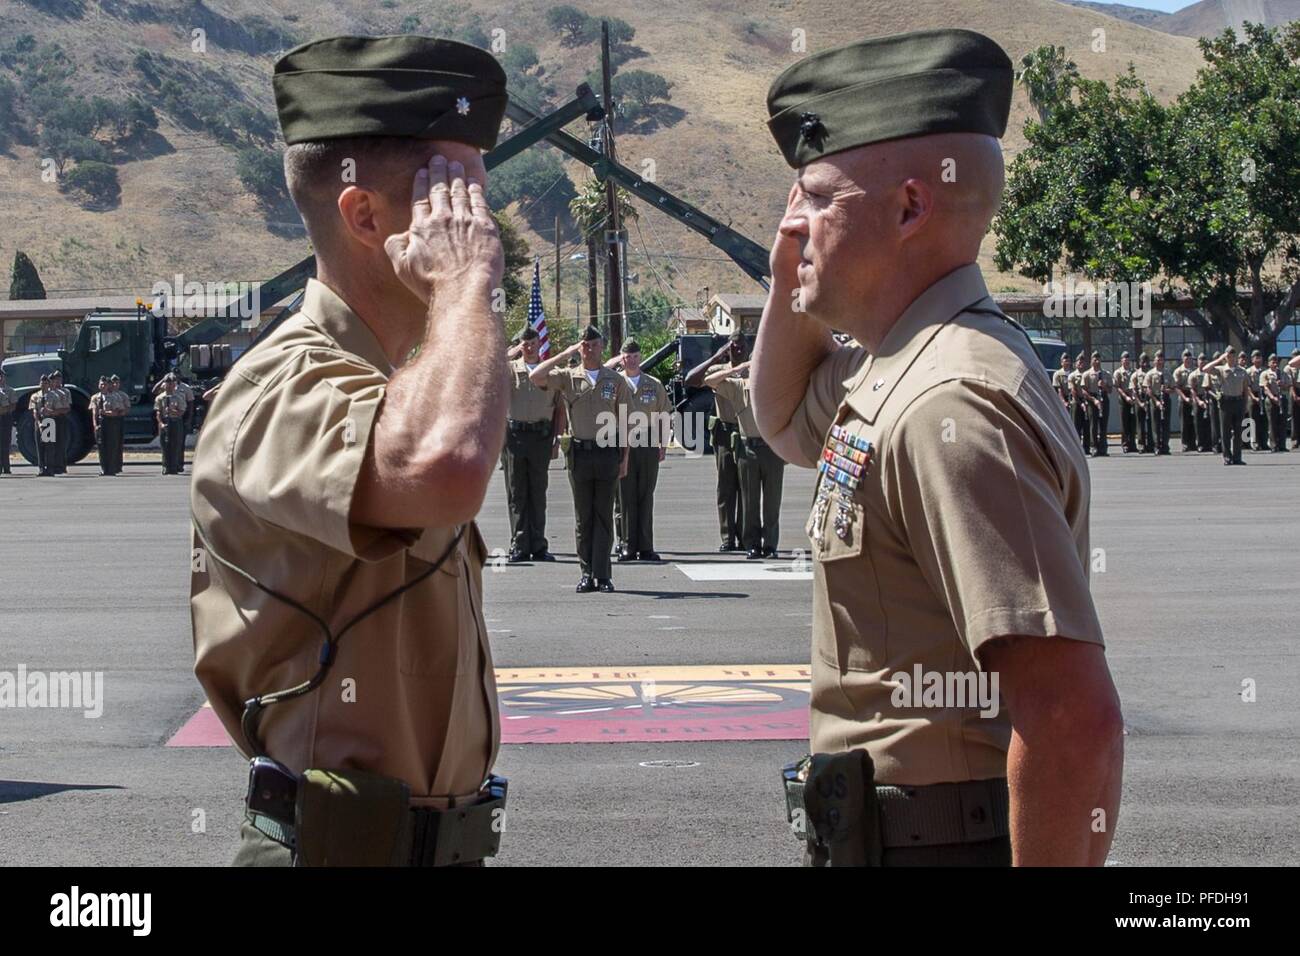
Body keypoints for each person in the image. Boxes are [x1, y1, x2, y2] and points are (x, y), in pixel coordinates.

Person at [752, 29, 1121, 866]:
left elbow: (1071, 719)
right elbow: (783, 421)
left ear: (911, 208)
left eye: (815, 198)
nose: (791, 225)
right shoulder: (904, 362)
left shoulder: (949, 399)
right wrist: (790, 278)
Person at [191, 34, 512, 867]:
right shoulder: (283, 383)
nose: (481, 226)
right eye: (454, 197)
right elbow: (441, 466)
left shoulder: (397, 380)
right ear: (365, 216)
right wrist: (464, 285)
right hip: (335, 848)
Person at [528, 324, 631, 593]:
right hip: (579, 454)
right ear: (580, 347)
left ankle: (604, 575)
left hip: (608, 453)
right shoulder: (568, 377)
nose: (590, 349)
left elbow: (625, 423)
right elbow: (536, 376)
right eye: (585, 345)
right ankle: (586, 574)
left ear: (602, 347)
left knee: (604, 516)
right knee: (583, 518)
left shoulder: (614, 380)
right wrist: (565, 354)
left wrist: (625, 459)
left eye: (594, 344)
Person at [706, 360, 784, 558]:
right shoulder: (739, 387)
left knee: (772, 502)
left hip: (772, 449)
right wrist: (733, 370)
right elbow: (709, 381)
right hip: (748, 448)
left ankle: (770, 545)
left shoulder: (775, 385)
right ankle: (752, 544)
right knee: (749, 501)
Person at [503, 325, 564, 561]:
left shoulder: (550, 372)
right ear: (520, 346)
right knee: (517, 492)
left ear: (540, 344)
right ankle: (519, 544)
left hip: (541, 436)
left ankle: (538, 545)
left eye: (532, 343)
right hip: (515, 437)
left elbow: (559, 409)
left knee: (538, 492)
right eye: (524, 344)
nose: (529, 347)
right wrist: (512, 352)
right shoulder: (508, 370)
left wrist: (557, 439)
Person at [608, 338, 670, 561]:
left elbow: (664, 415)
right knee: (624, 496)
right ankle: (626, 544)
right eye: (627, 357)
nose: (632, 360)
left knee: (645, 495)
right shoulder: (613, 382)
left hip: (647, 442)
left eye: (635, 356)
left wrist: (663, 444)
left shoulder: (653, 384)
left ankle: (645, 545)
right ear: (621, 358)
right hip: (621, 441)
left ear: (640, 357)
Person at [685, 331, 748, 552]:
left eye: (741, 346)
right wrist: (716, 357)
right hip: (724, 432)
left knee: (747, 489)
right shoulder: (717, 371)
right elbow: (691, 380)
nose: (737, 350)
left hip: (747, 432)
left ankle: (746, 536)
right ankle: (728, 538)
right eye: (733, 347)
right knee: (726, 488)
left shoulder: (752, 368)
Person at [1202, 347, 1248, 465]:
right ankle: (1227, 457)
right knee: (1225, 432)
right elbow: (1205, 369)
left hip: (1238, 401)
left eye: (1233, 355)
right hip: (1226, 402)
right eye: (1228, 356)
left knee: (1238, 431)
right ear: (1226, 357)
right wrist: (1219, 360)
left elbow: (1245, 389)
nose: (1231, 358)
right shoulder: (1221, 369)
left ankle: (1237, 457)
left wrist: (1245, 404)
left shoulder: (1242, 371)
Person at [155, 374, 187, 475]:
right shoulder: (160, 397)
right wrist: (161, 423)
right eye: (168, 383)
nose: (169, 385)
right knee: (165, 445)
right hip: (165, 422)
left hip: (175, 421)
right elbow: (158, 412)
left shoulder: (179, 396)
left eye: (172, 383)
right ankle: (165, 466)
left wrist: (173, 411)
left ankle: (174, 466)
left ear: (175, 384)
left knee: (175, 445)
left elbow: (181, 412)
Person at [1082, 351, 1110, 457]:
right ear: (1091, 361)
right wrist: (1094, 400)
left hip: (1103, 398)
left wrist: (1104, 386)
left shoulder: (1106, 374)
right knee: (1093, 425)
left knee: (1103, 424)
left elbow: (1110, 390)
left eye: (1098, 359)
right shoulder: (1087, 374)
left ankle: (1103, 448)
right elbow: (1084, 391)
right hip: (1092, 400)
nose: (1097, 361)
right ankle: (1093, 446)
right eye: (1095, 359)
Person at [45, 369, 72, 474]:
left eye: (58, 379)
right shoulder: (47, 393)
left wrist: (55, 412)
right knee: (49, 444)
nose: (56, 382)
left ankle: (61, 466)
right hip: (48, 419)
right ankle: (50, 466)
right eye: (54, 380)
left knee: (61, 443)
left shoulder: (65, 392)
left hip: (60, 419)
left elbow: (67, 408)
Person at [1260, 354, 1288, 453]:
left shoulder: (1282, 373)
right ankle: (1273, 445)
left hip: (1281, 399)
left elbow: (1287, 386)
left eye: (1276, 362)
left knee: (1282, 423)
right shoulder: (1265, 374)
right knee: (1272, 423)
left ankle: (1282, 444)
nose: (1275, 363)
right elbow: (1265, 388)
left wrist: (1282, 384)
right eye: (1273, 362)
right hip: (1271, 400)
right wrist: (1273, 397)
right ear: (1269, 363)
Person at [1146, 351, 1172, 455]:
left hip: (1165, 398)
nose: (1159, 362)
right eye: (1157, 360)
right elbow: (1148, 390)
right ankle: (1157, 446)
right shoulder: (1150, 374)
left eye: (1161, 360)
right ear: (1154, 361)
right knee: (1155, 424)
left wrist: (1167, 390)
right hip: (1154, 399)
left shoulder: (1167, 373)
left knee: (1166, 423)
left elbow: (1173, 388)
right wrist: (1156, 401)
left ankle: (1165, 445)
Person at [1112, 352, 1137, 453]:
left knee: (1133, 422)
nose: (1126, 361)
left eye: (1128, 359)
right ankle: (1125, 444)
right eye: (1124, 359)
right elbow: (1118, 387)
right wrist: (1126, 397)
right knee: (1125, 422)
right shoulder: (1118, 372)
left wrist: (1133, 396)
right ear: (1121, 360)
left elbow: (1136, 385)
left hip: (1133, 398)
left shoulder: (1134, 372)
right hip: (1123, 398)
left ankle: (1133, 444)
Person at [1173, 349, 1196, 452]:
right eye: (1185, 356)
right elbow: (1176, 387)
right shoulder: (1178, 371)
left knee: (1193, 421)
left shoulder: (1194, 370)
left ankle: (1192, 443)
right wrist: (1185, 397)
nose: (1187, 358)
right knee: (1184, 422)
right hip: (1183, 396)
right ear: (1182, 358)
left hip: (1193, 396)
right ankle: (1185, 443)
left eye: (1189, 356)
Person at [1068, 352, 1090, 454]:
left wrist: (1086, 402)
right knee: (1076, 426)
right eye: (1079, 361)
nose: (1081, 363)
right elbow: (1073, 390)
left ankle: (1087, 447)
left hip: (1087, 401)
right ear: (1075, 363)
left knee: (1087, 426)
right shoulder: (1072, 375)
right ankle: (1077, 449)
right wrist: (1080, 402)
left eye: (1082, 361)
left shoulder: (1088, 374)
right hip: (1076, 402)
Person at [1247, 350, 1268, 451]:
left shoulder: (1265, 371)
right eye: (1256, 357)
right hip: (1253, 395)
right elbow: (1247, 386)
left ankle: (1263, 442)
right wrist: (1253, 397)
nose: (1258, 359)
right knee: (1253, 420)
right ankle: (1254, 442)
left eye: (1260, 357)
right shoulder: (1249, 371)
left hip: (1263, 394)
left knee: (1263, 420)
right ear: (1252, 360)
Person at [1135, 353, 1153, 453]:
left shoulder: (1151, 373)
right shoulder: (1136, 374)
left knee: (1150, 423)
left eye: (1146, 361)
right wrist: (1140, 403)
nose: (1145, 364)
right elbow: (1133, 390)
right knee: (1140, 424)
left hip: (1149, 398)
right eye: (1143, 362)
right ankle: (1141, 444)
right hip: (1139, 398)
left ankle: (1150, 444)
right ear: (1140, 362)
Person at [0, 369, 15, 475]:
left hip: (5, 418)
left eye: (1, 376)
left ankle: (6, 467)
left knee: (5, 444)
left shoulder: (10, 390)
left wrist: (5, 409)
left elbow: (13, 405)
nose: (0, 378)